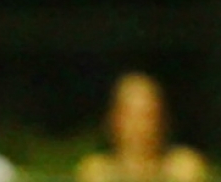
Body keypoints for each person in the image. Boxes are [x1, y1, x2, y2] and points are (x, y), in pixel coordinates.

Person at [75, 72, 208, 182]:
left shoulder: (184, 169)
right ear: (114, 120)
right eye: (130, 116)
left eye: (148, 116)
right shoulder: (97, 173)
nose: (139, 127)